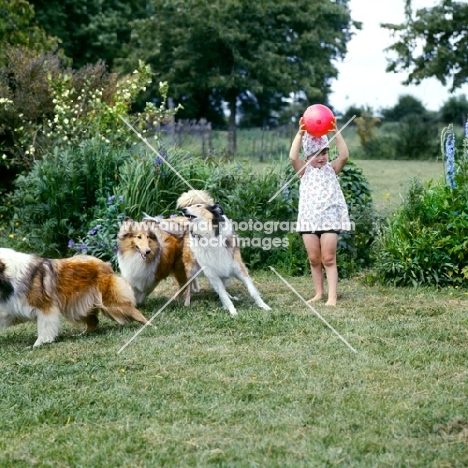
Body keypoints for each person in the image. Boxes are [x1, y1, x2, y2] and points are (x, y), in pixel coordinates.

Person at [289, 118, 351, 306]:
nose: (322, 157)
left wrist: (335, 132)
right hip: (309, 221)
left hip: (330, 220)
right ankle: (319, 293)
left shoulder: (331, 169)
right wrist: (300, 134)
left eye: (324, 152)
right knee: (314, 259)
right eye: (316, 153)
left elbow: (344, 156)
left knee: (328, 258)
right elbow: (292, 157)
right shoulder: (304, 171)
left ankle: (332, 296)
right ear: (307, 156)